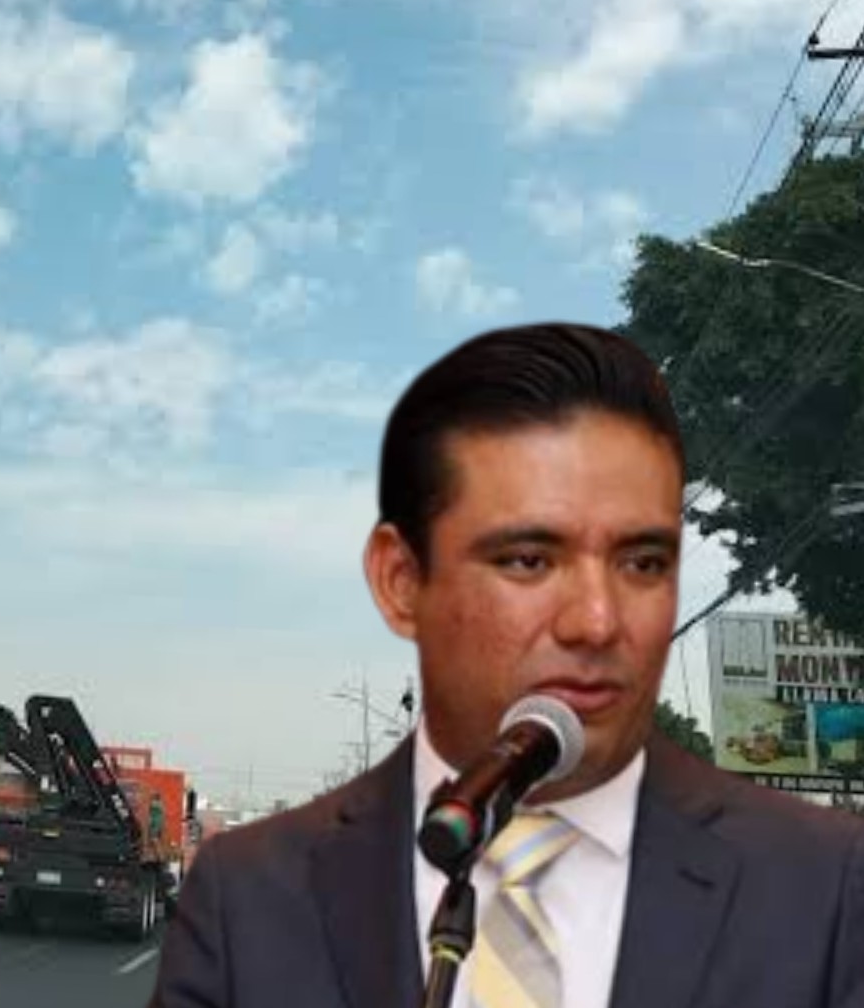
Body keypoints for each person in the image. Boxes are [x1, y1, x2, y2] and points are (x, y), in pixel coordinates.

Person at [150, 322, 864, 1008]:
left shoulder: (826, 885)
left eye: (642, 563)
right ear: (401, 581)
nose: (597, 622)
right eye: (528, 560)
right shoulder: (246, 895)